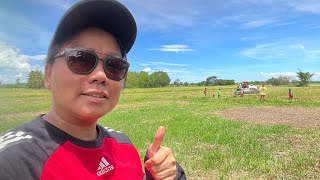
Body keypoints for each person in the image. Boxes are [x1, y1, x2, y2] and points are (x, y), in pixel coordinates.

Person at [0, 0, 185, 179]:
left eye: (114, 66)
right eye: (81, 59)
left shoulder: (122, 144)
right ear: (48, 75)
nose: (101, 75)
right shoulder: (15, 161)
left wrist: (163, 176)